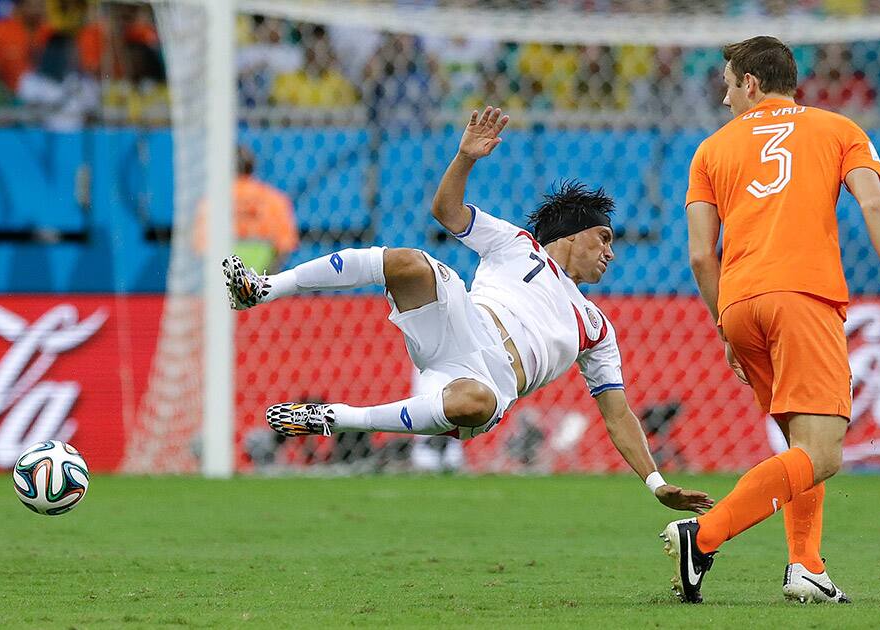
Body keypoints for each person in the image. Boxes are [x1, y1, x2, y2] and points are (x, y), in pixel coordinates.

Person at [223, 105, 713, 516]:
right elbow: (447, 212)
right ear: (575, 232)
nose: (610, 252)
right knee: (408, 261)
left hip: (492, 383)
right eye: (604, 238)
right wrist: (464, 158)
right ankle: (261, 287)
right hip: (462, 324)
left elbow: (618, 413)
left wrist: (656, 483)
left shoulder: (597, 327)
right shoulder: (516, 244)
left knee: (474, 403)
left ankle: (334, 418)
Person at [664, 36, 880, 604]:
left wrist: (723, 325)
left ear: (752, 84)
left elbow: (698, 254)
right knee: (826, 453)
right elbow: (875, 206)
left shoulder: (709, 150)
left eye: (728, 86)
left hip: (738, 303)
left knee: (799, 445)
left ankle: (806, 566)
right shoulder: (839, 130)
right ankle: (703, 536)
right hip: (802, 296)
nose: (724, 99)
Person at [195, 146, 299, 274]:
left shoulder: (213, 200)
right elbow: (285, 244)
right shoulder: (273, 198)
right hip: (262, 263)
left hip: (223, 260)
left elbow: (201, 245)